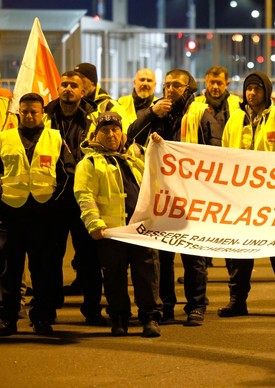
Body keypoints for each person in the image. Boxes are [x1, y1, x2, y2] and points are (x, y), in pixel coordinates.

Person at [128, 68, 220, 325]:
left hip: (192, 196)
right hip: (162, 196)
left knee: (193, 254)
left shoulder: (201, 115)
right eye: (167, 85)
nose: (170, 89)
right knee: (163, 255)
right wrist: (150, 114)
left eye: (176, 85)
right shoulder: (156, 113)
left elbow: (215, 155)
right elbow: (130, 138)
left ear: (188, 88)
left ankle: (196, 305)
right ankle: (166, 304)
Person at [218, 71, 275, 319]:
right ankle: (237, 301)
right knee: (240, 254)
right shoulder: (235, 120)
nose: (252, 93)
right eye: (248, 89)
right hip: (241, 199)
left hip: (274, 200)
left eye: (257, 89)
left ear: (267, 92)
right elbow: (224, 155)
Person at [74, 112, 163, 337]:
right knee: (114, 278)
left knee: (147, 275)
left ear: (122, 133)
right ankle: (119, 318)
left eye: (115, 129)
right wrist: (94, 224)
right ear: (96, 135)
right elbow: (84, 194)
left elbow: (157, 178)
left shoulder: (135, 157)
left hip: (140, 229)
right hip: (112, 232)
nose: (111, 134)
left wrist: (159, 147)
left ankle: (150, 318)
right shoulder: (90, 162)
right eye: (105, 130)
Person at [0, 93, 75, 336]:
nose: (30, 116)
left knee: (42, 270)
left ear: (43, 113)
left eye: (34, 111)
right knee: (9, 271)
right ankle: (7, 319)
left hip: (44, 216)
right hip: (11, 214)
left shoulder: (55, 138)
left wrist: (54, 204)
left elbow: (67, 173)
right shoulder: (4, 138)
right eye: (25, 112)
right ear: (18, 113)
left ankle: (42, 317)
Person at [44, 70, 106, 325]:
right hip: (53, 196)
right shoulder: (45, 117)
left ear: (84, 91)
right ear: (58, 89)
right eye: (63, 85)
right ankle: (48, 309)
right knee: (49, 256)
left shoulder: (94, 118)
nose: (67, 89)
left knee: (90, 257)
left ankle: (92, 310)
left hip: (83, 195)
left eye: (73, 86)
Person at [193, 65, 241, 270]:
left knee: (232, 221)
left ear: (227, 83)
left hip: (232, 171)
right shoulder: (195, 105)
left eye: (219, 83)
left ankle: (233, 267)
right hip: (205, 172)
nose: (214, 87)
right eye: (211, 82)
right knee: (204, 221)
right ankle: (201, 267)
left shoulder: (237, 104)